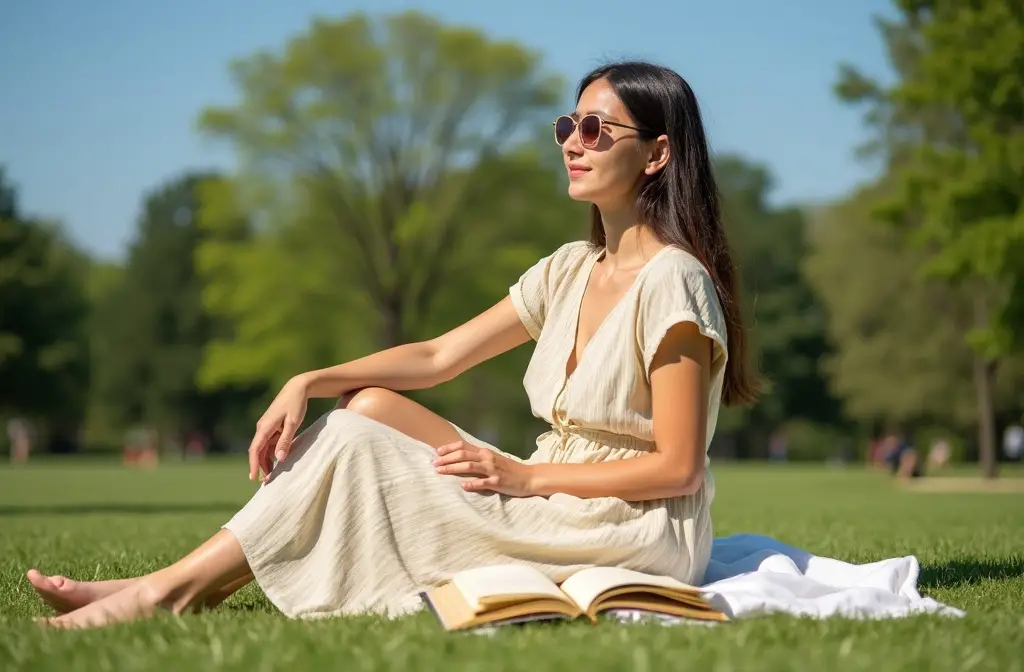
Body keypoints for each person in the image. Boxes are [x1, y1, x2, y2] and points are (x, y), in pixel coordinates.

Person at [26, 60, 760, 629]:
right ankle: (181, 583)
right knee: (367, 405)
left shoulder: (675, 282)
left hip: (633, 527)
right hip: (556, 491)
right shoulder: (569, 270)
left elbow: (677, 467)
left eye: (597, 130)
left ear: (658, 154)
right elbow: (440, 357)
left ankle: (167, 590)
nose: (572, 143)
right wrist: (310, 378)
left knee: (351, 440)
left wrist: (520, 478)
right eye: (567, 126)